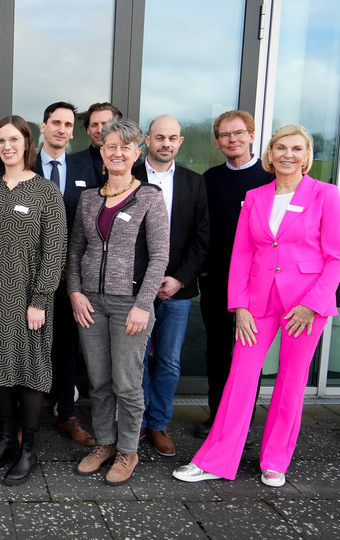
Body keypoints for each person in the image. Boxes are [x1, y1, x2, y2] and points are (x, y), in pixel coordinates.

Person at [174, 125, 340, 487]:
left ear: (307, 155)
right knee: (240, 377)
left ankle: (275, 460)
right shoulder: (255, 196)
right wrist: (239, 305)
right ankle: (216, 458)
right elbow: (242, 253)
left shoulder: (325, 195)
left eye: (296, 148)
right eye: (281, 147)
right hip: (258, 301)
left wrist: (313, 305)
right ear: (270, 153)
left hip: (305, 304)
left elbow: (337, 257)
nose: (288, 154)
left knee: (291, 382)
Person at [67, 118, 169, 486]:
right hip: (91, 302)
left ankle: (128, 450)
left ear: (136, 153)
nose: (118, 152)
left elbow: (159, 257)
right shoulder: (89, 198)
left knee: (127, 382)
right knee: (98, 382)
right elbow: (76, 249)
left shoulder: (150, 198)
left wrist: (144, 304)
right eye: (111, 145)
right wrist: (75, 292)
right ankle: (104, 443)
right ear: (102, 150)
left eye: (125, 147)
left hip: (130, 304)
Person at [0, 115, 67, 486]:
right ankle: (7, 440)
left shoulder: (46, 191)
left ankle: (28, 450)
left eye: (13, 140)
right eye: (1, 141)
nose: (6, 147)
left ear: (27, 143)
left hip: (30, 298)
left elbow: (55, 251)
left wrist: (40, 298)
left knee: (29, 372)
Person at [131, 115, 209, 457]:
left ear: (180, 142)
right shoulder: (128, 177)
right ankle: (135, 423)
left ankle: (158, 423)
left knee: (168, 361)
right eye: (160, 136)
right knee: (135, 361)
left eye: (173, 138)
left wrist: (178, 278)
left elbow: (202, 237)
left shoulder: (195, 183)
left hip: (178, 289)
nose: (166, 143)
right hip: (134, 289)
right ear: (147, 139)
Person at [196, 111, 275, 441]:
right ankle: (217, 417)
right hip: (216, 279)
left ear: (252, 135)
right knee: (216, 349)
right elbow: (199, 227)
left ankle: (241, 420)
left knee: (248, 352)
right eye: (225, 135)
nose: (232, 140)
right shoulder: (209, 179)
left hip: (256, 282)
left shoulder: (269, 179)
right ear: (217, 142)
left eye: (239, 133)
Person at [34, 102, 102, 447]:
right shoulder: (23, 164)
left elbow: (89, 223)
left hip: (69, 277)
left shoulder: (84, 167)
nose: (61, 129)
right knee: (27, 345)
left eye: (67, 124)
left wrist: (69, 266)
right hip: (29, 277)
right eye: (55, 122)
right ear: (42, 126)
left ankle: (66, 415)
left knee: (66, 345)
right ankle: (22, 418)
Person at [69, 102, 123, 175]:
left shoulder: (133, 164)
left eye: (105, 124)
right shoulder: (71, 163)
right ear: (88, 130)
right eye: (94, 125)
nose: (99, 130)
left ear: (118, 128)